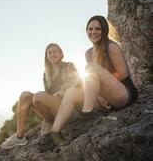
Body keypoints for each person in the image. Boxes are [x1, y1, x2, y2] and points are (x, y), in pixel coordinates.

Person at [47, 15, 138, 145]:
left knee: (91, 68)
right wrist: (99, 94)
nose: (93, 32)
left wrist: (101, 88)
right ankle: (54, 132)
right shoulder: (88, 53)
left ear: (104, 30)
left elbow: (123, 73)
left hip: (123, 94)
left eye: (97, 29)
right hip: (105, 101)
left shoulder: (111, 46)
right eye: (90, 29)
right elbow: (92, 81)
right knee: (71, 92)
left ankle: (87, 112)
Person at [0, 43, 79, 149]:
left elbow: (74, 85)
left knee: (38, 97)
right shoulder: (46, 74)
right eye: (49, 53)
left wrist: (58, 94)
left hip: (68, 107)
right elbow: (48, 95)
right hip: (54, 107)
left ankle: (50, 122)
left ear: (61, 54)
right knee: (25, 95)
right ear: (46, 56)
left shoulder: (69, 66)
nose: (52, 55)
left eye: (55, 52)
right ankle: (19, 137)